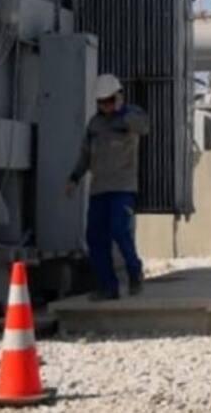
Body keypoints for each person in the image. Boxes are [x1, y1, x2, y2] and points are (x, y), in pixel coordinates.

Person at [66, 73, 151, 301]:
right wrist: (74, 177)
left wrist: (123, 111)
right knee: (95, 237)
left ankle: (135, 271)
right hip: (100, 189)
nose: (105, 106)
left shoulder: (131, 117)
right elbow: (85, 154)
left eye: (109, 101)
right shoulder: (95, 124)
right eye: (101, 102)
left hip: (123, 188)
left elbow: (144, 127)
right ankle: (107, 286)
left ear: (119, 96)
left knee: (120, 231)